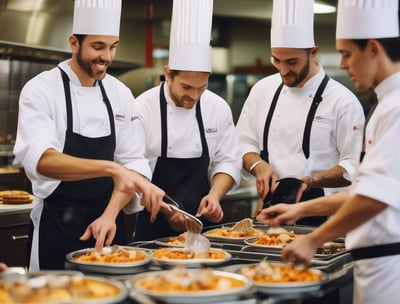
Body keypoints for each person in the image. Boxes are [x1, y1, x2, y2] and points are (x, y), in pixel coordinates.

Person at [256, 1, 400, 303]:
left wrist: (313, 240)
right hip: (375, 263)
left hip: (389, 265)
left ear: (373, 48)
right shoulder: (385, 103)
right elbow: (365, 189)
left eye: (347, 53)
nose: (343, 64)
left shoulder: (396, 108)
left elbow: (374, 198)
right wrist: (299, 210)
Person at [12, 0, 165, 270]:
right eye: (98, 46)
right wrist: (111, 168)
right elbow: (42, 160)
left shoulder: (119, 93)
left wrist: (110, 214)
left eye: (112, 47)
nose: (106, 56)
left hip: (107, 227)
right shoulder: (41, 89)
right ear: (74, 42)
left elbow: (134, 162)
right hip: (56, 225)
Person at [235, 0, 365, 226]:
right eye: (276, 60)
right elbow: (241, 145)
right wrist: (258, 165)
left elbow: (353, 166)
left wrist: (310, 181)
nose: (283, 70)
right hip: (270, 214)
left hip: (325, 219)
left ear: (313, 52)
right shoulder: (262, 90)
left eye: (292, 62)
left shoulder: (343, 102)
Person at [132, 0, 241, 240]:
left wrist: (215, 196)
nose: (193, 96)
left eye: (202, 87)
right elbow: (132, 170)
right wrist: (167, 210)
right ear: (168, 73)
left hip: (202, 227)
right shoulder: (142, 108)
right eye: (186, 87)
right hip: (152, 224)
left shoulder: (217, 107)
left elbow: (229, 161)